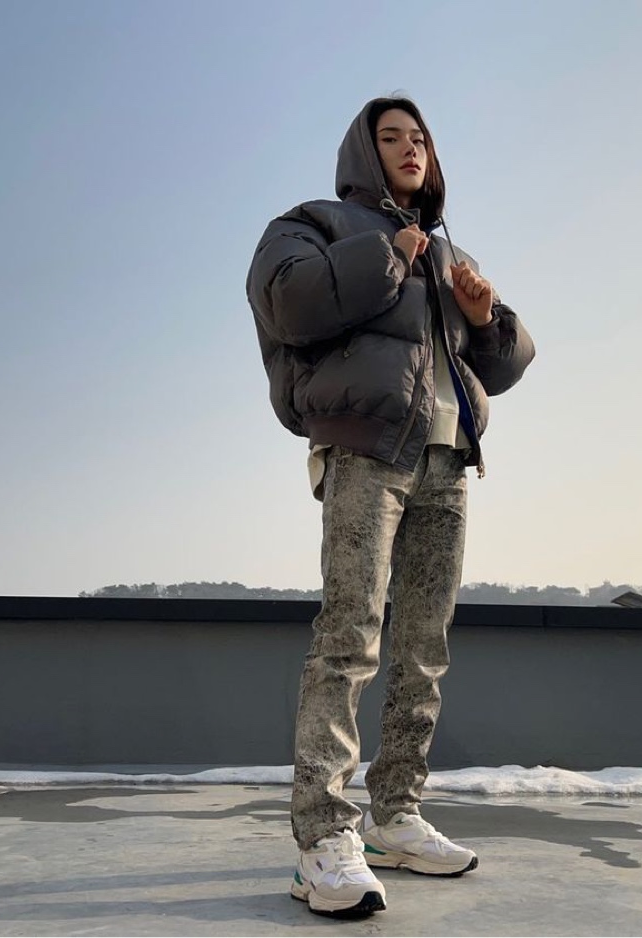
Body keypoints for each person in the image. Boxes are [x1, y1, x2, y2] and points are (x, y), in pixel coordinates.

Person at [246, 96, 535, 918]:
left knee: (423, 647)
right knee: (350, 635)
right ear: (364, 153)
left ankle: (395, 815)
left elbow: (505, 363)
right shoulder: (316, 225)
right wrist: (387, 254)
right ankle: (322, 838)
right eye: (391, 137)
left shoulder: (449, 253)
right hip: (367, 448)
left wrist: (486, 318)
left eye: (421, 139)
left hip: (448, 456)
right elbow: (289, 303)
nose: (411, 149)